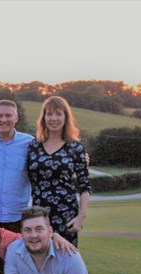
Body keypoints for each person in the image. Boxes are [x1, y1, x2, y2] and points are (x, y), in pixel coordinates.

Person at [28, 96, 92, 246]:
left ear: (66, 117)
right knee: (39, 263)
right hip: (38, 216)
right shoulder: (33, 146)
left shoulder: (75, 148)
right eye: (49, 114)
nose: (53, 118)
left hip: (66, 216)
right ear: (43, 117)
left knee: (64, 262)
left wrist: (80, 218)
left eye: (58, 114)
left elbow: (85, 186)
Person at [0, 100, 34, 233]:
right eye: (0, 115)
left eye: (8, 115)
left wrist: (78, 157)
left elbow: (52, 156)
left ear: (16, 118)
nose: (4, 119)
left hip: (20, 217)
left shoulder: (30, 143)